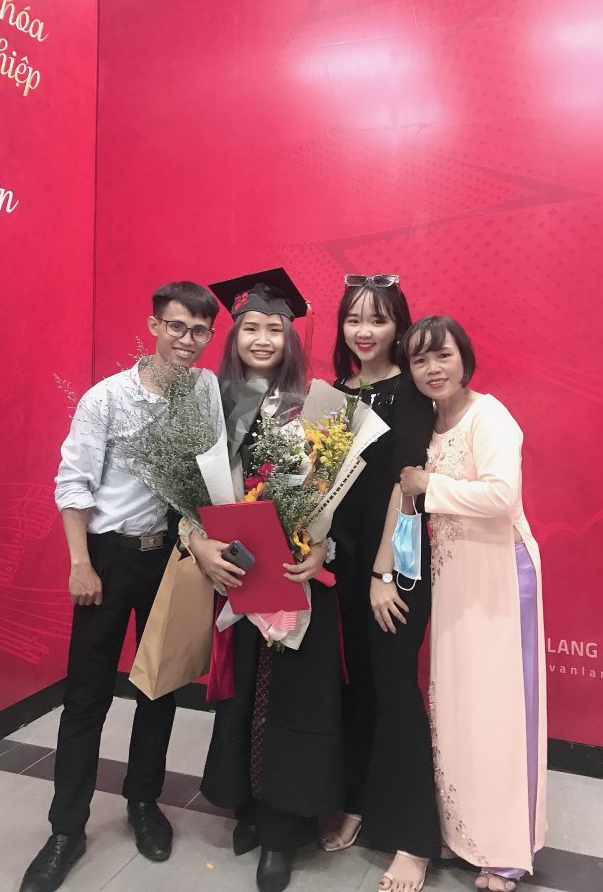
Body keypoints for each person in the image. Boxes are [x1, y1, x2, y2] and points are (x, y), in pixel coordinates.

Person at [19, 281, 221, 892]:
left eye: (200, 331)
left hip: (174, 559)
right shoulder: (106, 398)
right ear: (154, 326)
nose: (187, 340)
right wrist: (80, 562)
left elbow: (212, 476)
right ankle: (66, 829)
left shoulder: (205, 392)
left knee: (160, 687)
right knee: (87, 697)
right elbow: (73, 483)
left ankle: (143, 802)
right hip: (108, 559)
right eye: (177, 326)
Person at [185, 270, 344, 892]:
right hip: (237, 576)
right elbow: (187, 497)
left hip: (292, 580)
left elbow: (336, 498)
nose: (261, 338)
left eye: (274, 328)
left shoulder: (315, 407)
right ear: (234, 336)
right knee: (244, 694)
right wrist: (199, 542)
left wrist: (322, 545)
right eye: (249, 327)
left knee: (289, 701)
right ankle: (247, 805)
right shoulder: (210, 404)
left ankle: (281, 830)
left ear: (289, 338)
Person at [399, 316, 546, 892]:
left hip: (501, 573)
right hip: (454, 576)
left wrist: (426, 486)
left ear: (464, 359)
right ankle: (464, 833)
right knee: (459, 707)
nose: (433, 369)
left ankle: (506, 851)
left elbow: (502, 496)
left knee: (501, 711)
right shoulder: (430, 422)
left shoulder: (490, 417)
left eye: (443, 356)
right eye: (420, 360)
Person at [322, 274, 440, 892]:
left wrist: (383, 572)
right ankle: (358, 801)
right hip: (341, 562)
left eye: (377, 319)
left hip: (397, 565)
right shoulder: (335, 393)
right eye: (353, 320)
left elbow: (407, 485)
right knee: (355, 687)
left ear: (399, 326)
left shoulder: (411, 392)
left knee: (395, 690)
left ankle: (414, 840)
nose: (364, 331)